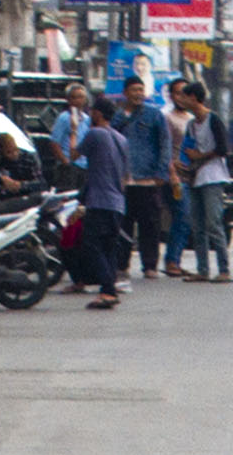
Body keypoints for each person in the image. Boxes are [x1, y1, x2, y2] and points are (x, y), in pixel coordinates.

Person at [170, 80, 233, 283]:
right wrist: (185, 165)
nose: (181, 100)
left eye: (184, 96)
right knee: (197, 225)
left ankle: (224, 269)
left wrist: (200, 156)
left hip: (213, 176)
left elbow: (223, 149)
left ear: (194, 98)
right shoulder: (191, 124)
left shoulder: (213, 120)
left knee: (213, 223)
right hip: (195, 177)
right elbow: (188, 150)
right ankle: (203, 269)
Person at [74, 94, 132, 307]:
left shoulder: (95, 133)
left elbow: (73, 155)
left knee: (92, 245)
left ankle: (108, 289)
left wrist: (73, 128)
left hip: (99, 201)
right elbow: (126, 176)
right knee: (108, 247)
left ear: (97, 113)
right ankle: (109, 289)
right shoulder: (122, 139)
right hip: (117, 202)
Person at [118, 85, 174, 282]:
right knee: (123, 225)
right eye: (134, 90)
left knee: (150, 225)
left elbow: (164, 144)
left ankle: (150, 265)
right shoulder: (118, 116)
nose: (138, 94)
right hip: (123, 180)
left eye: (141, 90)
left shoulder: (154, 115)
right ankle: (121, 264)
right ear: (125, 93)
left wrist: (162, 172)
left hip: (148, 179)